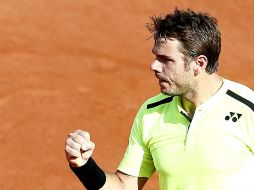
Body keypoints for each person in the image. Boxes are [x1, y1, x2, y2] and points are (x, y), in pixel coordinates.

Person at [64, 8, 254, 190]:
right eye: (156, 56)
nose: (154, 66)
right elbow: (124, 186)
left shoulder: (248, 109)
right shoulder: (151, 113)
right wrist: (84, 166)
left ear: (199, 64)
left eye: (166, 59)